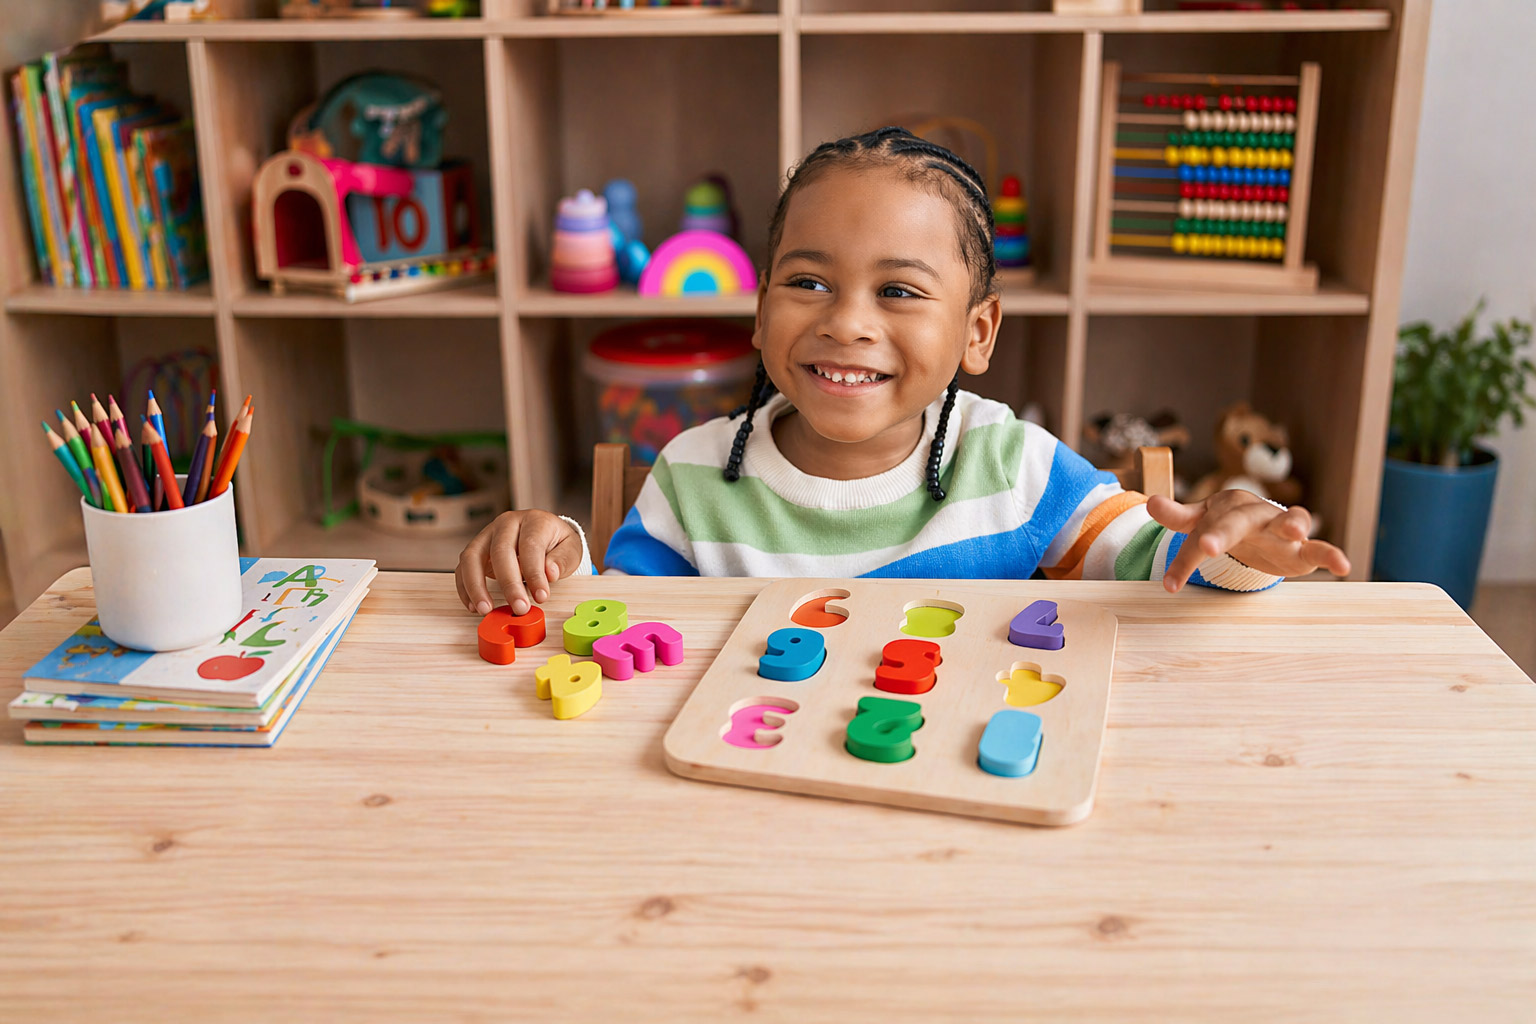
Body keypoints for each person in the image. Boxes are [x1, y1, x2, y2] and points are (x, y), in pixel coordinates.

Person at [455, 127, 1349, 617]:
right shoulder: (693, 477)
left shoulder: (1014, 467)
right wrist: (553, 557)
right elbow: (617, 624)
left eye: (899, 291)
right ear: (761, 314)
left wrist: (1242, 544)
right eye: (807, 282)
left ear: (977, 332)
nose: (846, 322)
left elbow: (1166, 568)